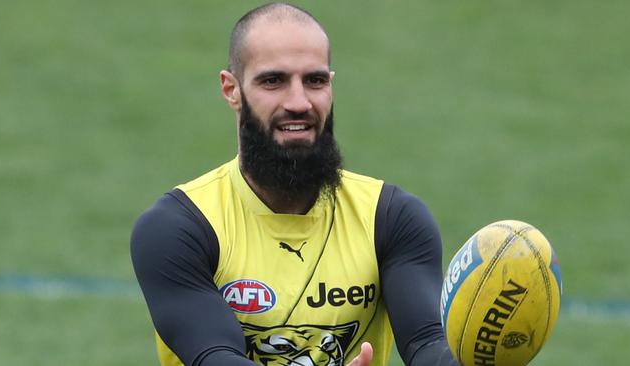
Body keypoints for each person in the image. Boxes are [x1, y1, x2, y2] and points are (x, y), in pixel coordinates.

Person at [131, 3, 459, 366]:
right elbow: (214, 355)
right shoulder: (180, 227)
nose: (299, 102)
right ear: (231, 90)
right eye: (273, 81)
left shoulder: (392, 217)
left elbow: (427, 343)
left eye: (315, 80)